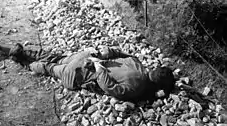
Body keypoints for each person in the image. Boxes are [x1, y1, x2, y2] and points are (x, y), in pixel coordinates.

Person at [9, 43, 175, 102]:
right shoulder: (137, 87)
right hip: (80, 72)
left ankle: (24, 52)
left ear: (154, 69)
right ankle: (24, 62)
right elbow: (108, 87)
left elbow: (116, 52)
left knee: (56, 58)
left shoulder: (137, 62)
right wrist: (99, 67)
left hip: (84, 56)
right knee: (50, 69)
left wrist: (103, 54)